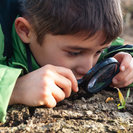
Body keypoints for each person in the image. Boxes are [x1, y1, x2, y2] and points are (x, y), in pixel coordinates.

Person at [0, 0, 133, 123]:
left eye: (99, 52)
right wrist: (15, 89)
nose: (88, 67)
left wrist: (126, 63)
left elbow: (118, 47)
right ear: (26, 30)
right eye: (74, 53)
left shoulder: (92, 34)